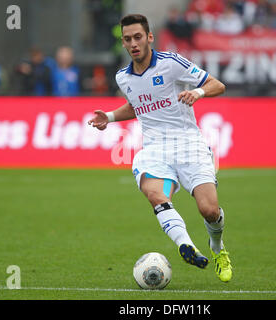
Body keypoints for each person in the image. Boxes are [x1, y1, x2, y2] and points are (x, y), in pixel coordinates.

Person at [88, 14, 232, 282]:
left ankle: (217, 248)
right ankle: (185, 245)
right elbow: (136, 105)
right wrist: (108, 117)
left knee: (210, 210)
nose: (133, 43)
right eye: (128, 39)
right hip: (154, 148)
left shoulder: (171, 63)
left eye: (138, 37)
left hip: (189, 145)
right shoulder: (123, 77)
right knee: (155, 195)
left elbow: (217, 85)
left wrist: (197, 93)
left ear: (149, 37)